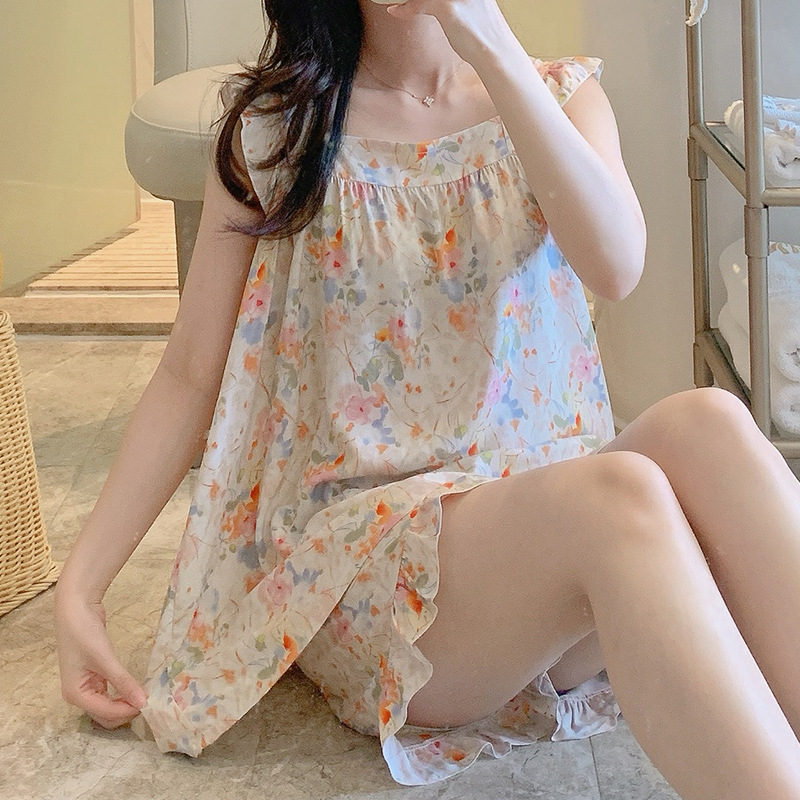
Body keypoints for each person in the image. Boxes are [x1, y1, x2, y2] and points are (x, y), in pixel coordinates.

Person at [53, 0, 800, 796]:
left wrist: (490, 45)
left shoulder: (556, 95)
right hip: (378, 567)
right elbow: (190, 374)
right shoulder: (281, 133)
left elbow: (616, 265)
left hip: (548, 538)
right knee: (622, 495)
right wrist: (81, 588)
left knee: (709, 423)